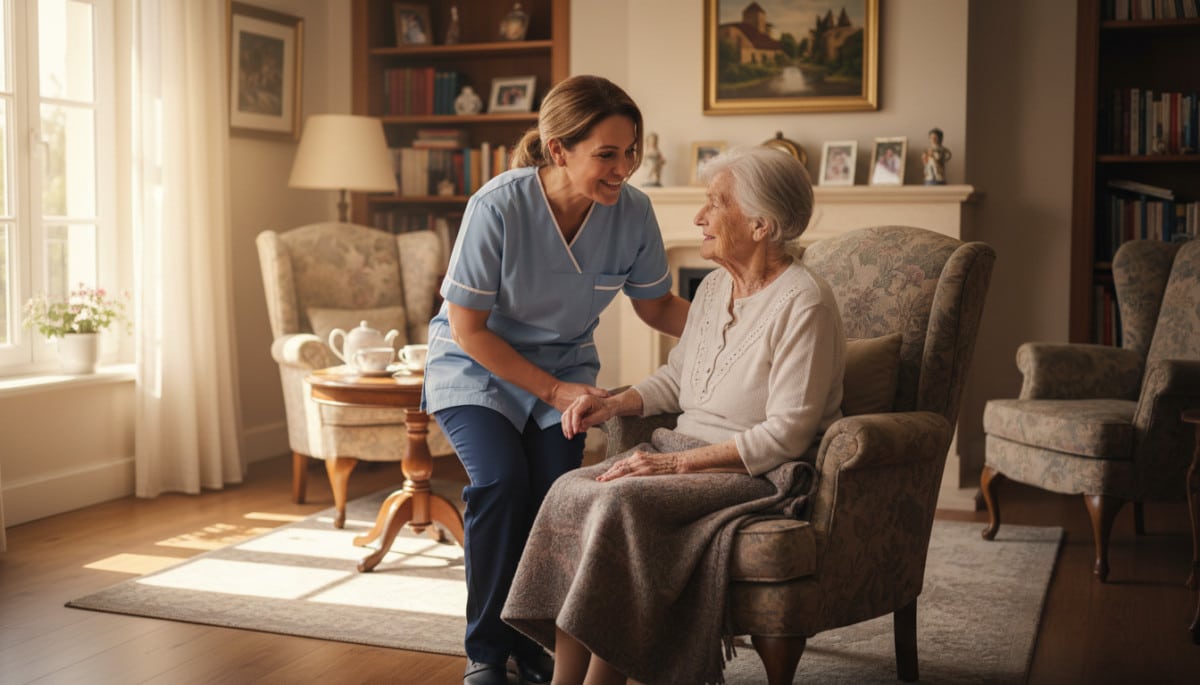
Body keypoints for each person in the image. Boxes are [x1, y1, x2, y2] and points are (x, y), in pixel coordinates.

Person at [502, 146, 846, 685]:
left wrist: (673, 468)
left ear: (761, 225)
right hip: (680, 454)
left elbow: (788, 433)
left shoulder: (805, 303)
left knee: (621, 500)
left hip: (755, 472)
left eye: (715, 203)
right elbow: (678, 379)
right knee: (570, 489)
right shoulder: (711, 289)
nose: (699, 217)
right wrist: (612, 403)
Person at [422, 74, 691, 685]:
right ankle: (487, 654)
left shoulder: (634, 214)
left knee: (557, 494)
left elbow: (657, 307)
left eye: (631, 153)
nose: (623, 168)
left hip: (564, 371)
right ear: (557, 149)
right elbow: (469, 329)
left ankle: (536, 643)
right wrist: (553, 390)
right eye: (607, 154)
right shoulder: (497, 206)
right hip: (476, 366)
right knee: (500, 481)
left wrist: (745, 325)